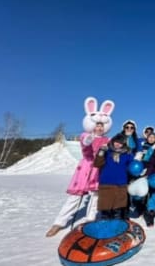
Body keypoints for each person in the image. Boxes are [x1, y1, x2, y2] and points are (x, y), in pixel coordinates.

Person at [46, 96, 114, 237]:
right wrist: (89, 139)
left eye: (101, 125)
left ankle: (90, 220)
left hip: (98, 169)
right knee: (74, 197)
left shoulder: (107, 139)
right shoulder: (85, 135)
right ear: (91, 125)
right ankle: (59, 223)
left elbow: (114, 147)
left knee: (95, 196)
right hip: (85, 168)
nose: (99, 127)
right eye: (97, 125)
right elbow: (85, 143)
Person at [93, 134, 133, 219]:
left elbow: (131, 168)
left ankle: (116, 229)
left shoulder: (128, 154)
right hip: (106, 183)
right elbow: (97, 164)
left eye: (120, 142)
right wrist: (101, 152)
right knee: (105, 209)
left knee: (117, 210)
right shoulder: (107, 152)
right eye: (116, 141)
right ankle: (104, 227)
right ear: (113, 141)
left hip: (121, 184)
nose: (117, 144)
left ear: (124, 144)